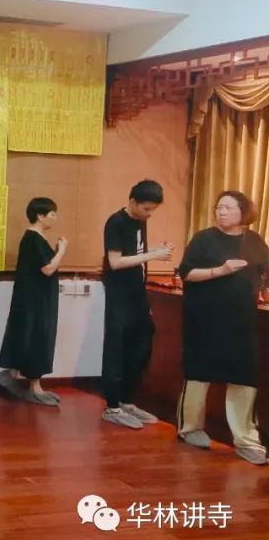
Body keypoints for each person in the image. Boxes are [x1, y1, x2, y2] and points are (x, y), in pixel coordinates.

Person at [177, 191, 269, 465]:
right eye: (219, 207)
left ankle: (246, 440)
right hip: (204, 319)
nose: (221, 212)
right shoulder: (203, 239)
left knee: (244, 375)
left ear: (243, 212)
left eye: (228, 207)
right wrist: (221, 270)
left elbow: (264, 272)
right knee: (199, 372)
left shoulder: (254, 241)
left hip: (241, 321)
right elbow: (187, 274)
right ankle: (190, 428)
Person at [101, 179, 173, 429]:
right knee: (116, 348)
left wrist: (155, 249)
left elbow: (135, 253)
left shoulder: (140, 221)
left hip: (137, 294)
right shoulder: (116, 222)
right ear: (132, 201)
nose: (149, 214)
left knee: (141, 346)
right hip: (119, 295)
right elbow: (115, 262)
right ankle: (112, 407)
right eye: (146, 208)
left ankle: (127, 401)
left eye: (153, 209)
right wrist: (154, 255)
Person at [0, 198, 68, 406]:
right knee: (36, 336)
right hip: (35, 300)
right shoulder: (33, 238)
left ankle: (15, 376)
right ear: (40, 216)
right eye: (52, 214)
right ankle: (34, 386)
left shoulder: (36, 238)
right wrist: (62, 250)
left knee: (31, 335)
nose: (55, 217)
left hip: (36, 298)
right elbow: (48, 269)